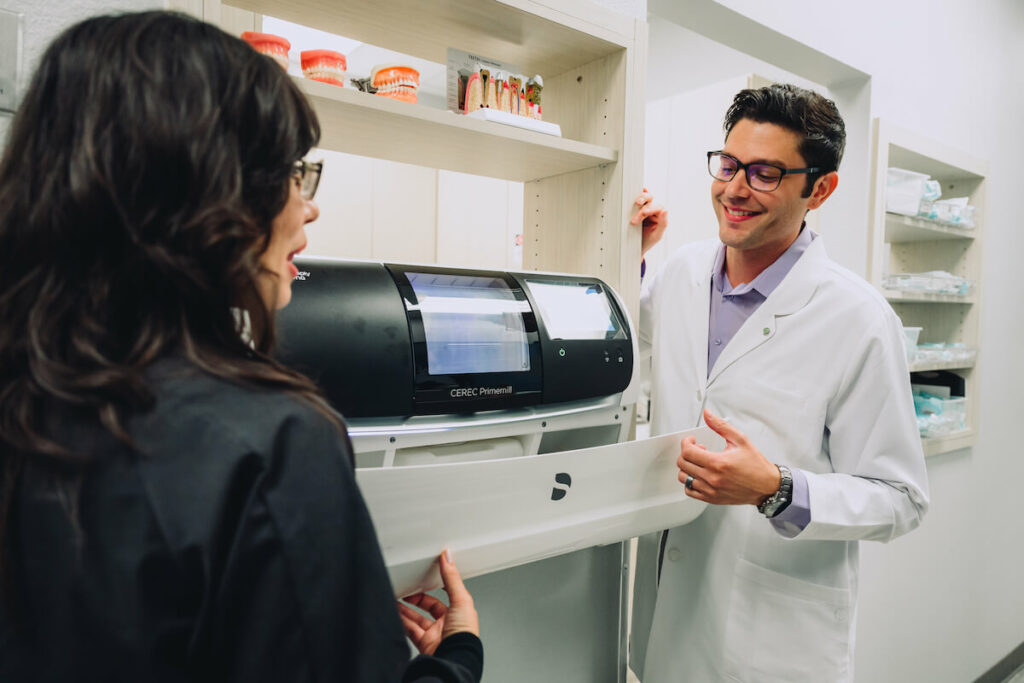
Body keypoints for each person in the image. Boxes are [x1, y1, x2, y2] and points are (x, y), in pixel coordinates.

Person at [0, 11, 481, 682]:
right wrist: (456, 659)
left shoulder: (28, 395)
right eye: (287, 171)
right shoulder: (272, 444)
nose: (305, 205)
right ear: (202, 189)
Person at [627, 84, 929, 682]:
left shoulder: (860, 320)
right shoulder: (677, 276)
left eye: (766, 173)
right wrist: (623, 257)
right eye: (730, 164)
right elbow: (626, 379)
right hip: (665, 609)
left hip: (772, 642)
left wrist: (777, 489)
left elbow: (902, 499)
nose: (735, 188)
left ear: (820, 188)